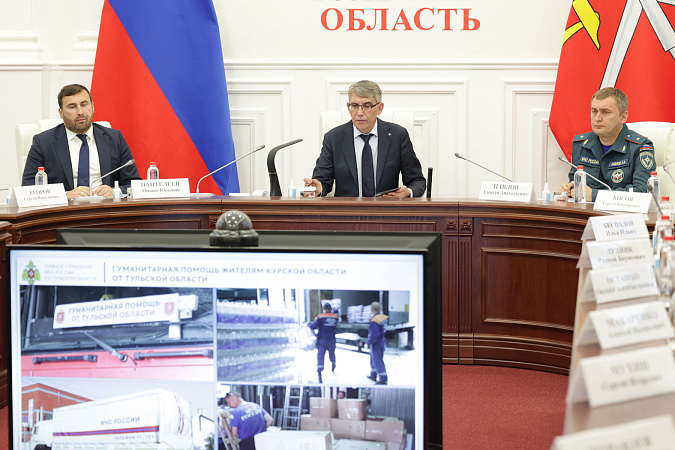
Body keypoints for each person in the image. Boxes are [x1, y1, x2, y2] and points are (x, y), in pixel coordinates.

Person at [304, 80, 426, 197]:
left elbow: (417, 181)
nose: (360, 113)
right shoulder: (333, 138)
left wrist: (408, 192)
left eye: (367, 106)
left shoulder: (398, 135)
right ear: (348, 107)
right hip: (347, 210)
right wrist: (317, 188)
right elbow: (322, 181)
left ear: (379, 108)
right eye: (354, 106)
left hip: (385, 209)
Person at [22, 84, 140, 200]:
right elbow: (28, 189)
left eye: (84, 105)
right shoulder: (43, 142)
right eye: (72, 107)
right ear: (61, 113)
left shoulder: (114, 138)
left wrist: (116, 191)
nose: (80, 112)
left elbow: (133, 184)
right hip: (66, 210)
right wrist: (65, 196)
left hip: (106, 207)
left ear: (92, 106)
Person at [560, 87, 654, 201]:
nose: (597, 118)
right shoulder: (581, 144)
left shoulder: (640, 147)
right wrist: (569, 190)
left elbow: (643, 194)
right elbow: (575, 184)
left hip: (621, 212)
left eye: (606, 112)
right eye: (594, 111)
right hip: (585, 211)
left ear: (623, 117)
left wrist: (594, 195)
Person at [308, 302, 339, 383]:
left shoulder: (320, 316)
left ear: (323, 308)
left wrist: (309, 325)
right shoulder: (336, 317)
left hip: (322, 340)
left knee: (321, 356)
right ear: (330, 308)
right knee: (332, 353)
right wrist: (336, 310)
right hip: (332, 340)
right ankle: (333, 364)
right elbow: (336, 314)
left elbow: (313, 326)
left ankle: (320, 374)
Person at [367, 301, 388, 385]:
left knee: (377, 360)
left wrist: (369, 342)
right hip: (382, 340)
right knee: (373, 359)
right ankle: (373, 375)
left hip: (376, 342)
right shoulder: (382, 318)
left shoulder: (374, 320)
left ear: (372, 309)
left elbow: (374, 334)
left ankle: (383, 379)